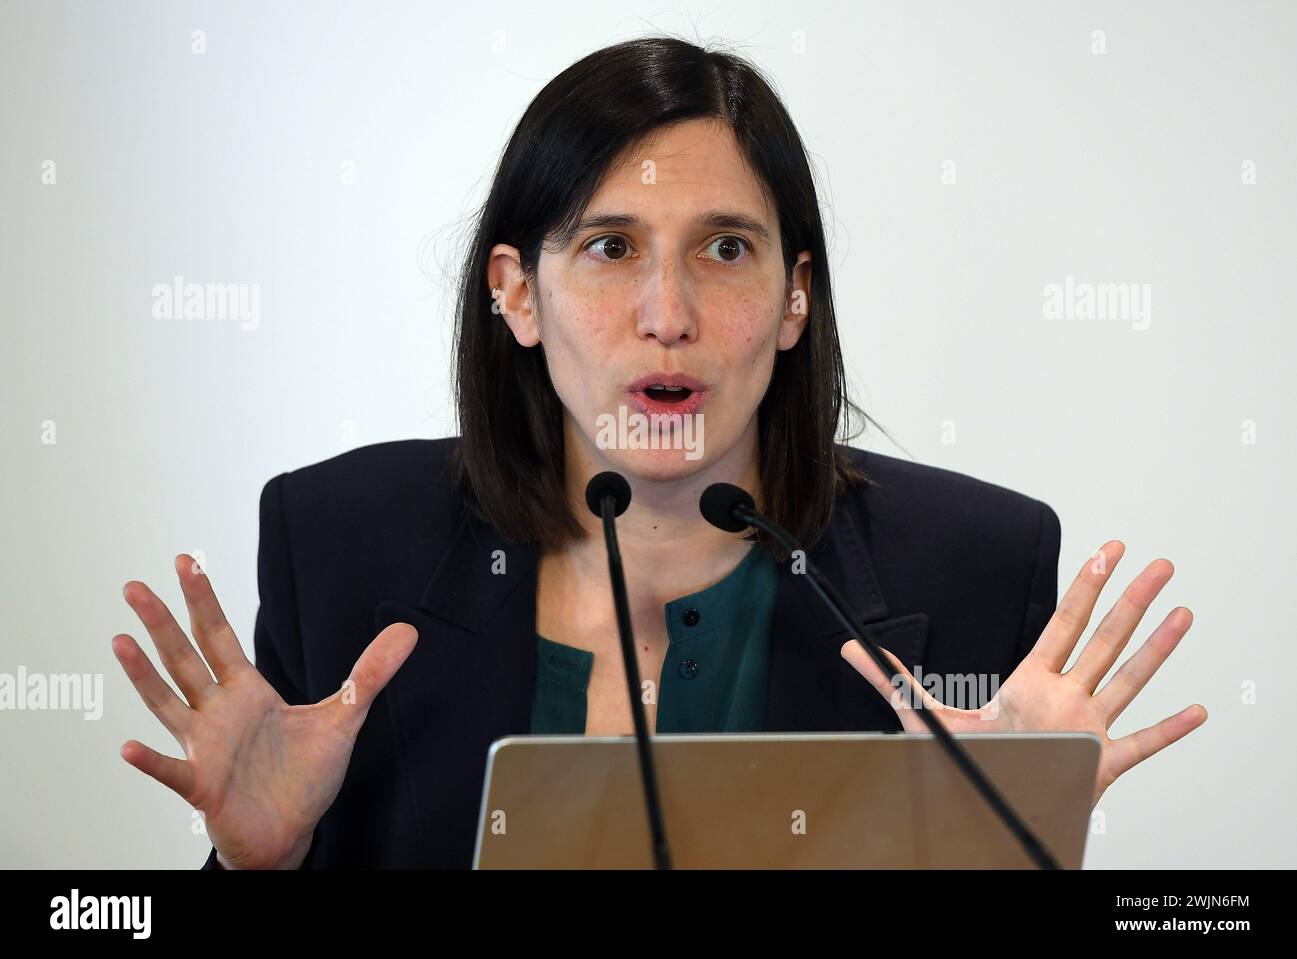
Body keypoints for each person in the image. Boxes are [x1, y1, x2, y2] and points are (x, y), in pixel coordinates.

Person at [111, 36, 1207, 869]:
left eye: (724, 249)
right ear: (515, 293)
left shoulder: (972, 564)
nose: (667, 312)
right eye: (610, 248)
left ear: (793, 298)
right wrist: (263, 867)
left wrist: (1009, 856)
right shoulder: (341, 544)